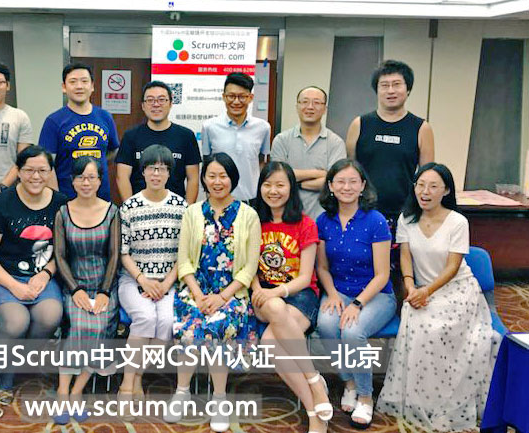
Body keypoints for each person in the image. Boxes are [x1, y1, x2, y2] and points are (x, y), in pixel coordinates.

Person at [376, 163, 499, 431]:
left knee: (436, 330)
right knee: (416, 320)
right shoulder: (406, 219)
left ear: (446, 191)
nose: (425, 191)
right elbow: (405, 257)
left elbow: (453, 267)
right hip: (420, 289)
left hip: (457, 290)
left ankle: (445, 399)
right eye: (420, 185)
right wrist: (410, 286)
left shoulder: (458, 222)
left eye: (433, 186)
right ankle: (423, 399)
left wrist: (426, 291)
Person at [164, 153, 260, 433]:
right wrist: (196, 293)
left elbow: (250, 267)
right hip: (196, 290)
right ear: (204, 179)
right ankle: (182, 391)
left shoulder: (249, 215)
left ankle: (219, 399)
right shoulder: (192, 213)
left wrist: (222, 297)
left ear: (233, 179)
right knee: (191, 326)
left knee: (218, 325)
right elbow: (183, 261)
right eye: (212, 176)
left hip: (232, 293)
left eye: (223, 176)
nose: (218, 182)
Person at [0, 145, 68, 419]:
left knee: (50, 315)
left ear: (50, 172)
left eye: (42, 170)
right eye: (29, 170)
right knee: (16, 321)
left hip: (39, 275)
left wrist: (46, 273)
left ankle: (11, 368)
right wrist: (13, 286)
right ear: (18, 171)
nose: (36, 176)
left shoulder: (61, 204)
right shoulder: (0, 204)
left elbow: (63, 252)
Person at [248, 161, 330, 433]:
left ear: (291, 188)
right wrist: (258, 288)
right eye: (267, 184)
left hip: (299, 296)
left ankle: (314, 412)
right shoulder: (253, 222)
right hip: (263, 295)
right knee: (273, 306)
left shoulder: (306, 224)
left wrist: (277, 292)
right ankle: (314, 380)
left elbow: (306, 277)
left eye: (280, 185)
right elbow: (248, 266)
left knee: (270, 343)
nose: (273, 191)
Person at [315, 159, 396, 429]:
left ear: (363, 186)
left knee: (352, 332)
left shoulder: (376, 221)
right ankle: (348, 382)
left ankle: (365, 395)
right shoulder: (323, 221)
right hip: (338, 291)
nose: (346, 187)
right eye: (340, 181)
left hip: (376, 295)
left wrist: (358, 304)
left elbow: (382, 275)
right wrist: (332, 294)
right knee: (326, 324)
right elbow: (322, 267)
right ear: (330, 186)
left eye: (353, 182)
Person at [117, 145, 187, 412]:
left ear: (170, 173)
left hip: (169, 281)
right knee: (145, 317)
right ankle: (127, 384)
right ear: (143, 172)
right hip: (133, 280)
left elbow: (185, 254)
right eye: (151, 168)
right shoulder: (129, 207)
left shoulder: (182, 207)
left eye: (162, 169)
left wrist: (166, 284)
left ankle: (137, 377)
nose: (156, 174)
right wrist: (143, 280)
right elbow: (123, 253)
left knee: (167, 321)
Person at [53, 156, 120, 423]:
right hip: (74, 283)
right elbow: (60, 256)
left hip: (104, 285)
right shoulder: (63, 212)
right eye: (80, 177)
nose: (86, 182)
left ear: (100, 181)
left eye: (92, 177)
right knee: (80, 325)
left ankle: (77, 390)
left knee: (98, 326)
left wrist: (104, 291)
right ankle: (62, 390)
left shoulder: (112, 211)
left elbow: (114, 255)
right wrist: (75, 289)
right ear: (72, 181)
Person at [346, 60, 434, 237]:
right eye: (384, 85)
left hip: (404, 215)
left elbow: (427, 176)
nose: (391, 91)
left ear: (408, 89)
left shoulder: (421, 128)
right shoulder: (359, 124)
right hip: (362, 212)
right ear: (377, 90)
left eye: (397, 84)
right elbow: (349, 170)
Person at [39, 63, 120, 201]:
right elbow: (46, 165)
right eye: (73, 82)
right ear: (64, 87)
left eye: (84, 81)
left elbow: (113, 151)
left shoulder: (105, 117)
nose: (79, 86)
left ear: (92, 86)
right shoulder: (54, 121)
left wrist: (95, 160)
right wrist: (56, 200)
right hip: (67, 198)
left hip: (101, 198)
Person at [116, 81, 201, 203]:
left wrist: (187, 210)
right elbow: (122, 177)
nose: (156, 104)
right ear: (143, 106)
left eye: (161, 100)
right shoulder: (131, 136)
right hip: (140, 208)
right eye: (150, 100)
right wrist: (131, 207)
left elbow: (193, 179)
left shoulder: (186, 136)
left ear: (170, 103)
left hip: (175, 208)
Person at [270, 86, 346, 219]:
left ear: (325, 109)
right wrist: (319, 173)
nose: (310, 107)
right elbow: (278, 178)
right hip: (286, 216)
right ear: (297, 106)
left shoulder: (335, 142)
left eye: (316, 102)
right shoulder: (281, 140)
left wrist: (295, 182)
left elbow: (335, 182)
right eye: (305, 102)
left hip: (323, 218)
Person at [201, 72, 271, 202]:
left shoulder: (263, 127)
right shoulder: (209, 127)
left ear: (250, 97)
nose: (236, 101)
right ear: (224, 97)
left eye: (242, 96)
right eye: (231, 96)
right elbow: (207, 163)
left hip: (251, 199)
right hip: (219, 200)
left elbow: (261, 162)